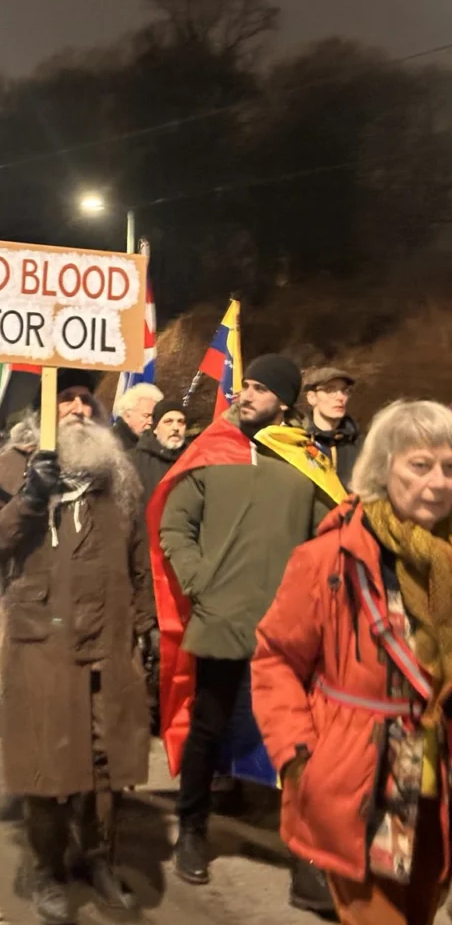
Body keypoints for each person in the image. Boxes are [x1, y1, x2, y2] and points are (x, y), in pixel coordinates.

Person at [152, 354, 345, 911]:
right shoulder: (211, 450)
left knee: (301, 742)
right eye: (246, 385)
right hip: (222, 615)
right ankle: (192, 831)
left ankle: (305, 860)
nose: (246, 394)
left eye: (260, 388)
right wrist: (200, 581)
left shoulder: (307, 460)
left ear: (284, 400)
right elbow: (174, 524)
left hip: (290, 628)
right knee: (207, 727)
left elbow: (331, 535)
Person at [252, 400, 452, 925]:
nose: (438, 482)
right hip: (359, 784)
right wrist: (299, 759)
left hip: (438, 794)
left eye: (449, 467)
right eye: (420, 465)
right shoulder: (330, 558)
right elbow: (276, 660)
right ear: (384, 467)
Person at [0, 369, 157, 924]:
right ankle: (47, 867)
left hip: (111, 638)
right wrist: (32, 495)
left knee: (108, 761)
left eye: (85, 402)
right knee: (48, 759)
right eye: (66, 401)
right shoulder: (14, 467)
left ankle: (98, 858)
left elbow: (138, 556)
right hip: (43, 641)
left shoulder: (116, 474)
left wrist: (147, 624)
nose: (78, 410)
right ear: (44, 413)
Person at [304, 366, 361, 488]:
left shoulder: (361, 445)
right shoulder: (299, 441)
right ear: (312, 398)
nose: (340, 397)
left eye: (345, 391)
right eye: (329, 390)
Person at [131, 399, 188, 506]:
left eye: (180, 422)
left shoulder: (194, 459)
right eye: (168, 422)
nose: (175, 428)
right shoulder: (134, 461)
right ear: (155, 428)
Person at [111, 382, 163, 452]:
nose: (151, 422)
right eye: (146, 416)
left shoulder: (155, 444)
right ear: (127, 416)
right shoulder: (109, 443)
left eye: (154, 417)